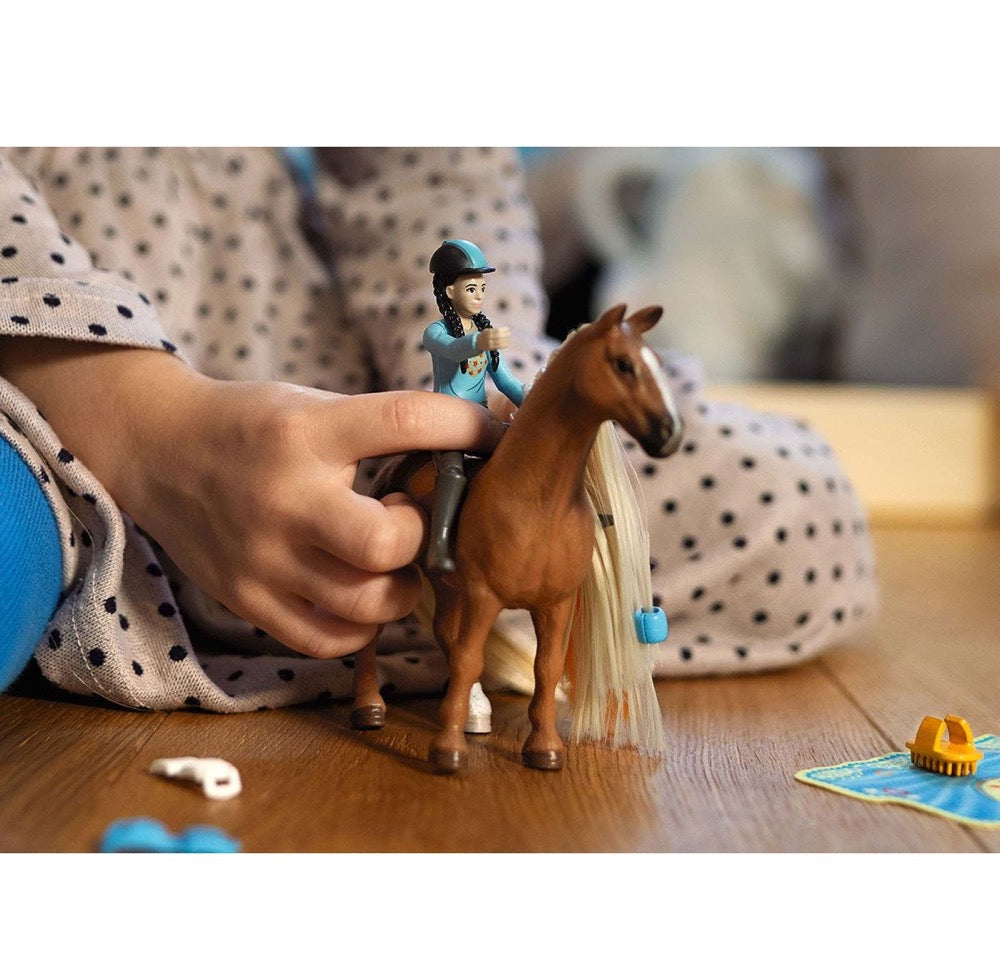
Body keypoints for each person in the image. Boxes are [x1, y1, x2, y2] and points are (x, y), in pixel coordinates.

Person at [0, 147, 879, 714]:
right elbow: (450, 365)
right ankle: (436, 561)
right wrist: (140, 417)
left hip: (313, 344)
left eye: (475, 290)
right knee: (447, 489)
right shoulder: (448, 335)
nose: (471, 300)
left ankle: (382, 594)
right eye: (468, 291)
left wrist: (519, 388)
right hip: (43, 354)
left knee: (801, 509)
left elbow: (431, 176)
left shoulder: (475, 326)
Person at [423, 238, 525, 573]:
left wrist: (536, 404)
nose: (480, 296)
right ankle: (439, 546)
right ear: (450, 291)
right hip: (448, 422)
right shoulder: (436, 332)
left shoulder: (484, 330)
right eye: (471, 289)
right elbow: (454, 351)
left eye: (482, 288)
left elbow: (506, 381)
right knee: (453, 474)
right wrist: (480, 341)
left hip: (481, 419)